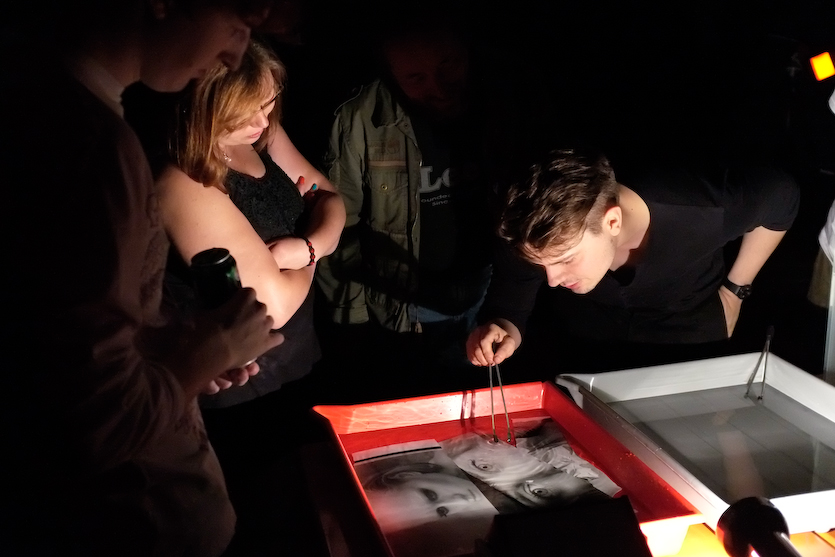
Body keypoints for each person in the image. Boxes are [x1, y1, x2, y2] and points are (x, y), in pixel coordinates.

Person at [2, 1, 285, 555]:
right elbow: (95, 423)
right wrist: (209, 352)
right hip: (134, 522)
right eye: (238, 24)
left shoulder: (60, 106)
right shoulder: (89, 146)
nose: (234, 57)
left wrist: (170, 350)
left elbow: (60, 347)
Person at [155, 38, 345, 555]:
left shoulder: (262, 132)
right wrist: (314, 245)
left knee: (314, 509)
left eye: (269, 102)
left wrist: (306, 248)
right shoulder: (186, 180)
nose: (263, 119)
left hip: (300, 359)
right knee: (266, 519)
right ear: (207, 103)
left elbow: (331, 197)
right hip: (241, 389)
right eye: (247, 111)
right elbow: (271, 307)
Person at [314, 4, 554, 398]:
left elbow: (531, 209)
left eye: (449, 66)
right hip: (401, 310)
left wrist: (510, 310)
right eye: (416, 78)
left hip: (485, 296)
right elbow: (341, 225)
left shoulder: (507, 103)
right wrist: (350, 322)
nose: (439, 89)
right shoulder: (360, 119)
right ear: (390, 73)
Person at [467, 149, 800, 369]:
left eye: (566, 259)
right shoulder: (532, 231)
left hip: (689, 333)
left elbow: (782, 197)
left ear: (612, 221)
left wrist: (735, 290)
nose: (551, 280)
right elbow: (511, 303)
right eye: (541, 264)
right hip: (587, 338)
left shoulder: (699, 209)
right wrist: (502, 330)